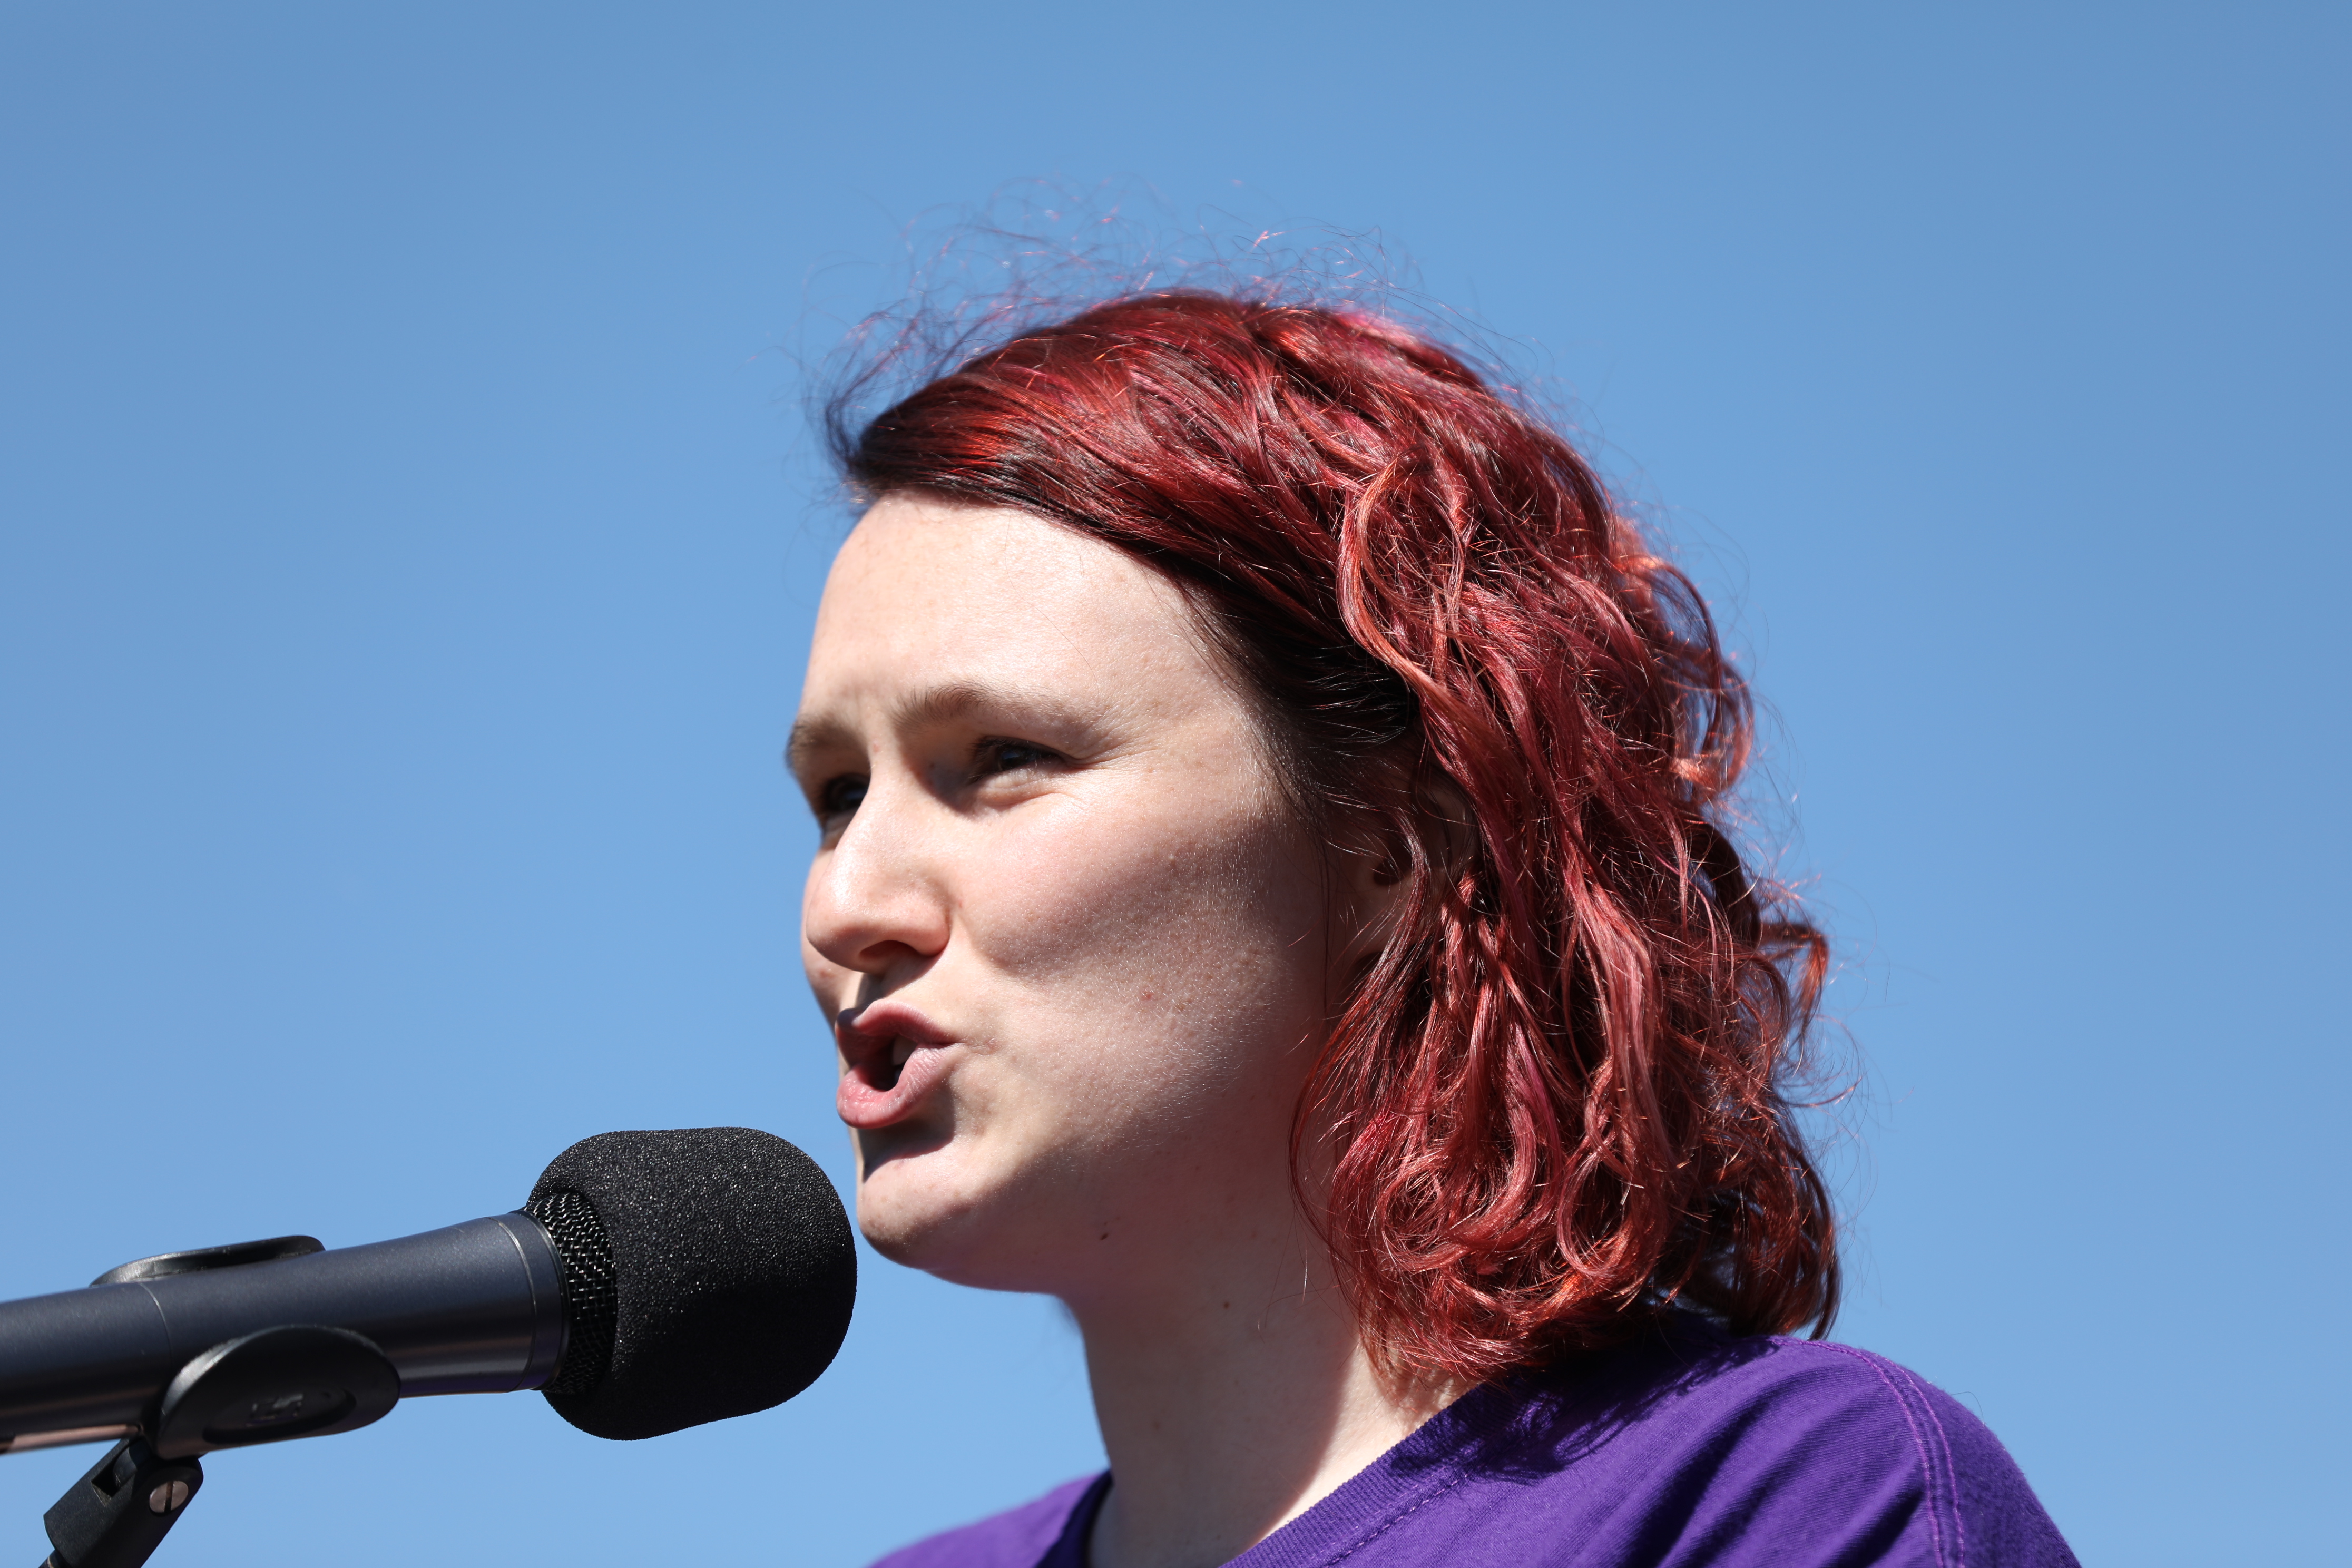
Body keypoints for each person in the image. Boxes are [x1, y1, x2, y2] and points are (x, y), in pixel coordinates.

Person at [791, 290, 2076, 1568]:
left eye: (1005, 757)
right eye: (838, 794)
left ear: (1394, 846)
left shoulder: (1778, 1506)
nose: (847, 905)